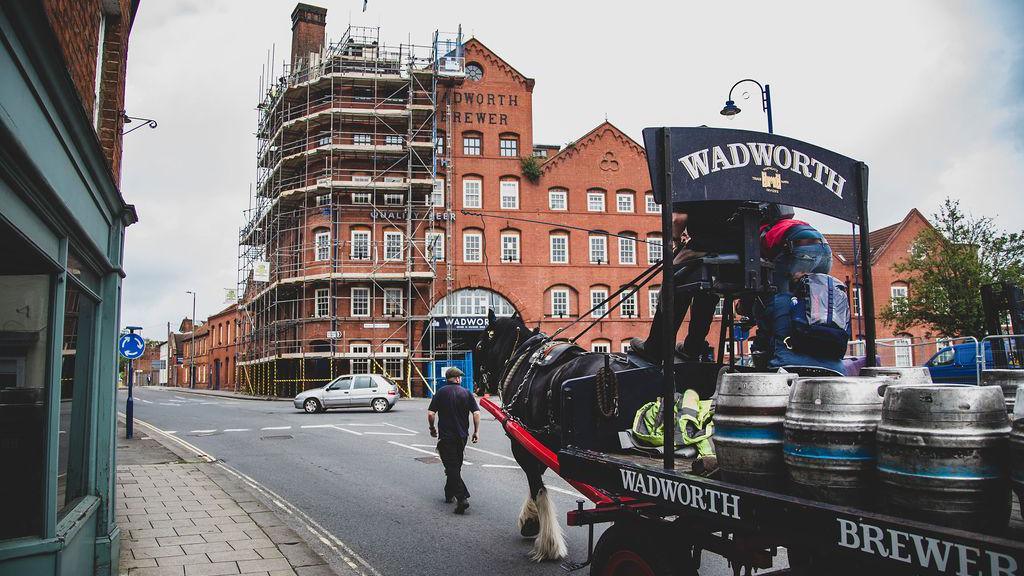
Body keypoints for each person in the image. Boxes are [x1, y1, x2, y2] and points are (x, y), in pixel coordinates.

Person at [630, 201, 742, 361]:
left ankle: (656, 347)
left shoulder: (689, 178)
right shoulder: (736, 181)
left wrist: (676, 239)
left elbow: (678, 219)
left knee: (673, 281)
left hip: (703, 246)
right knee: (708, 290)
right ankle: (693, 347)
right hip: (737, 252)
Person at [427, 367, 480, 514]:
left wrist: (432, 428)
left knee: (451, 467)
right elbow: (476, 413)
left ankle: (462, 499)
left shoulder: (440, 393)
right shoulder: (466, 393)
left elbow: (431, 414)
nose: (461, 379)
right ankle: (448, 492)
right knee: (455, 465)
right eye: (460, 377)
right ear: (457, 378)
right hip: (462, 436)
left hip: (446, 436)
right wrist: (476, 431)